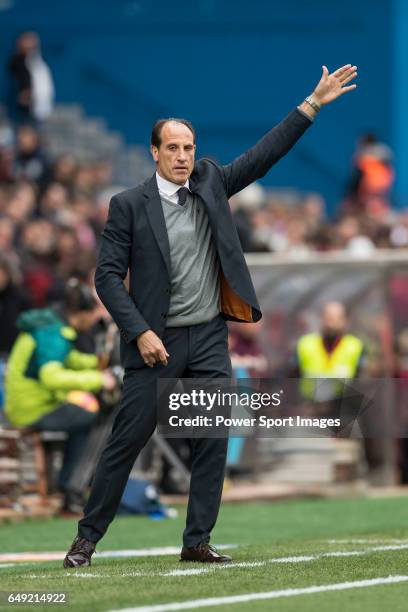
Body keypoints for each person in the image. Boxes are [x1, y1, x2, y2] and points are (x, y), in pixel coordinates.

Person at [63, 63, 358, 567]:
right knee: (125, 442)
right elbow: (107, 278)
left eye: (189, 148)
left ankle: (196, 540)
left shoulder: (211, 184)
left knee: (214, 438)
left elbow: (263, 156)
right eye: (173, 148)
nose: (183, 157)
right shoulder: (127, 206)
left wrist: (311, 104)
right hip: (154, 343)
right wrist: (139, 332)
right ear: (154, 152)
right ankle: (86, 540)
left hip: (207, 337)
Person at [4, 279, 116, 512]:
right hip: (31, 408)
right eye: (92, 314)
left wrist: (95, 365)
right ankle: (71, 490)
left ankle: (69, 487)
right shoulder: (53, 332)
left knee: (85, 416)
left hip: (31, 403)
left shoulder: (52, 325)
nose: (94, 321)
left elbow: (68, 361)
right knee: (90, 417)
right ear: (81, 314)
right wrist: (100, 379)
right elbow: (51, 375)